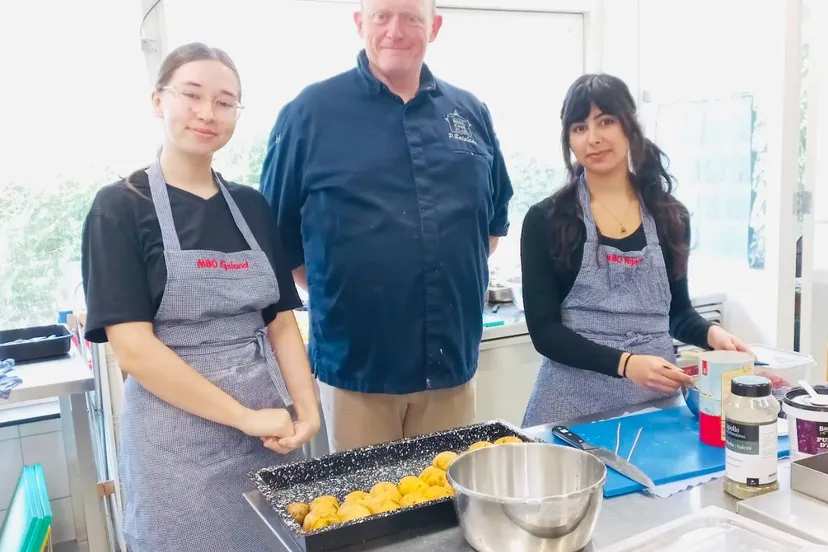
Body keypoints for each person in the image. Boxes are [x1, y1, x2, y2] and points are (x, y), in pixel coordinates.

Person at [81, 43, 319, 551]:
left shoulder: (252, 206)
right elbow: (135, 351)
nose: (207, 113)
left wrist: (308, 408)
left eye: (225, 101)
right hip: (176, 442)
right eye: (191, 95)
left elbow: (279, 320)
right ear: (157, 100)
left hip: (271, 433)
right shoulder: (120, 208)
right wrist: (243, 417)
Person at [260, 0, 513, 452]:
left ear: (433, 27)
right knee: (366, 512)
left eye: (412, 18)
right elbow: (277, 239)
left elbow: (490, 226)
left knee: (450, 506)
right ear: (360, 24)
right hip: (360, 369)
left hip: (450, 365)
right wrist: (338, 290)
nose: (396, 30)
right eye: (382, 16)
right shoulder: (309, 114)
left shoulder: (470, 112)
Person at [520, 74, 750, 427]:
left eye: (605, 122)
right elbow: (545, 332)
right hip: (569, 410)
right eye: (579, 127)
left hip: (656, 406)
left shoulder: (670, 216)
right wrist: (626, 364)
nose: (593, 138)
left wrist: (709, 334)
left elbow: (676, 311)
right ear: (569, 139)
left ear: (629, 124)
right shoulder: (547, 220)